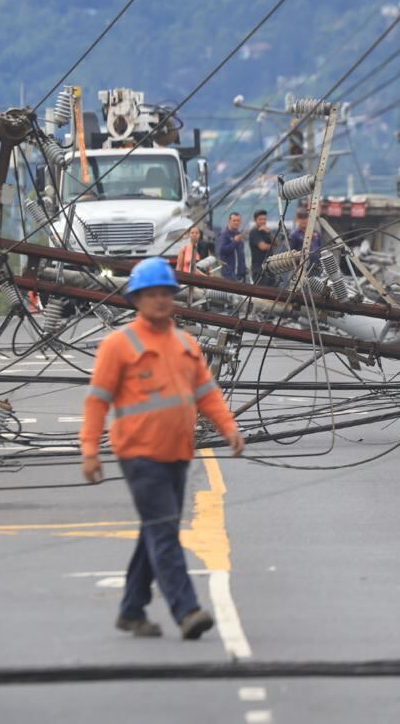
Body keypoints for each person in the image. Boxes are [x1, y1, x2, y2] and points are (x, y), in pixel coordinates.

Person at [80, 258, 245, 640]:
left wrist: (229, 428)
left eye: (164, 293)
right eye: (150, 294)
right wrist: (89, 449)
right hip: (139, 455)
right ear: (136, 299)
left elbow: (207, 393)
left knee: (157, 529)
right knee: (164, 532)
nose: (158, 300)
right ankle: (186, 610)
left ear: (174, 297)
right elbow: (97, 401)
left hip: (177, 453)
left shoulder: (185, 345)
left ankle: (132, 609)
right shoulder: (118, 346)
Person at [217, 211, 247, 282]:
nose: (236, 222)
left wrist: (244, 268)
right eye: (234, 220)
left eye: (238, 221)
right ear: (229, 221)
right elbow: (222, 251)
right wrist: (235, 242)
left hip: (240, 275)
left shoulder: (239, 234)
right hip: (229, 275)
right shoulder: (224, 235)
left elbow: (241, 254)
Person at [247, 209, 275, 285]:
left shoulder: (266, 231)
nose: (263, 221)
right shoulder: (254, 232)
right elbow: (262, 246)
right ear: (255, 220)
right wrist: (272, 246)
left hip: (270, 267)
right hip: (259, 269)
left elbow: (277, 243)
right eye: (260, 219)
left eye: (264, 219)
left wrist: (269, 233)